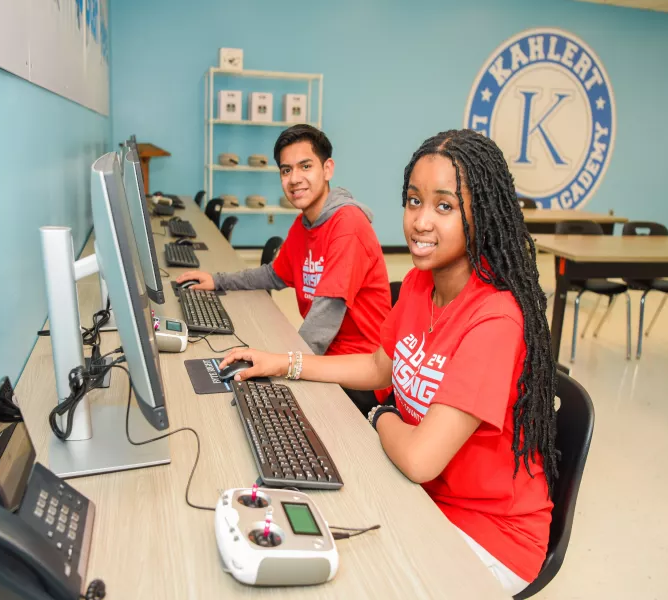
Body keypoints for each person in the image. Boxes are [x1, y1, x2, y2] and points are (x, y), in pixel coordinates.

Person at [218, 129, 557, 595]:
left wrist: (380, 415)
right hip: (423, 496)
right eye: (414, 201)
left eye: (444, 206)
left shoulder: (494, 320)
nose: (420, 222)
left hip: (489, 535)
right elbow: (381, 367)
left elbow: (419, 459)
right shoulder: (421, 283)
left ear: (481, 214)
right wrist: (283, 363)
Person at [177, 125, 391, 414]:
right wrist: (217, 281)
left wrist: (282, 365)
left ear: (327, 169)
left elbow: (326, 315)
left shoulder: (348, 225)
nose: (295, 178)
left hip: (359, 373)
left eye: (305, 166)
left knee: (258, 406)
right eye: (286, 170)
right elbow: (273, 274)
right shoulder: (304, 225)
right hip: (322, 357)